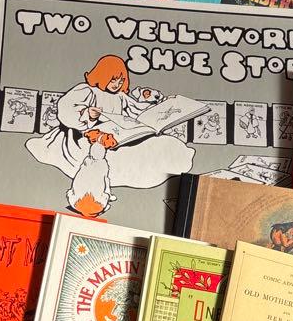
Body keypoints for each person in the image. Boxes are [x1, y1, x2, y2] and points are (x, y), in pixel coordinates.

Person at [26, 55, 195, 217]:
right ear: (102, 75)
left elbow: (136, 110)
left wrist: (160, 106)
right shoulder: (87, 90)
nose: (117, 84)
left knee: (157, 148)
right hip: (84, 135)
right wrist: (88, 114)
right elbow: (66, 109)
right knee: (101, 158)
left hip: (118, 136)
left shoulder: (120, 97)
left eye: (121, 81)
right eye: (113, 80)